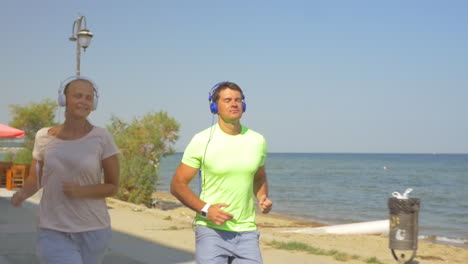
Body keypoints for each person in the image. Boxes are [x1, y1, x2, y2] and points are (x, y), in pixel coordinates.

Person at [11, 76, 120, 264]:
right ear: (64, 100)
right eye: (78, 96)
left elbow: (112, 186)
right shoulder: (43, 137)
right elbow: (35, 179)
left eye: (88, 97)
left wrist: (81, 191)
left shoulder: (102, 137)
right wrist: (22, 194)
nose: (83, 101)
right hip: (52, 228)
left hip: (94, 230)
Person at [171, 81, 273, 264]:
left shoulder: (257, 140)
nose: (234, 104)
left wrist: (262, 196)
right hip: (212, 231)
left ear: (244, 104)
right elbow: (177, 185)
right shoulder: (201, 140)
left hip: (247, 231)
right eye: (227, 100)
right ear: (214, 106)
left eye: (238, 100)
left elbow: (259, 176)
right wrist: (206, 209)